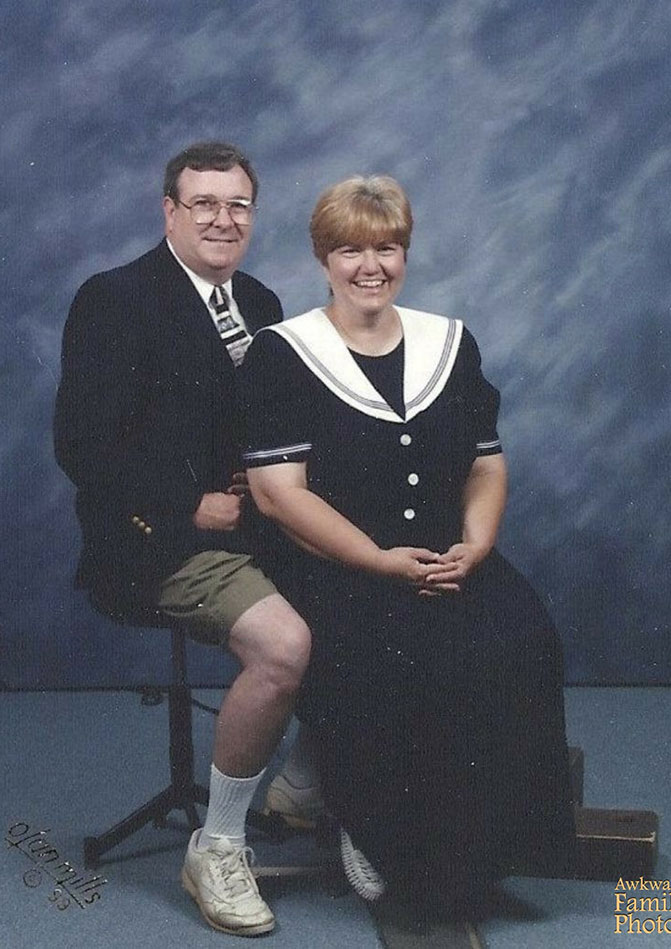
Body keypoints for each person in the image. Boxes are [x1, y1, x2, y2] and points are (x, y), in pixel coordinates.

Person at [242, 175, 576, 919]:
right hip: (333, 561)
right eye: (351, 249)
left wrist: (477, 545)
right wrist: (375, 559)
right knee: (404, 651)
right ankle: (374, 830)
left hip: (440, 552)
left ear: (406, 252)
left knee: (520, 637)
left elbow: (486, 463)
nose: (371, 265)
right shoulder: (284, 352)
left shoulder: (448, 342)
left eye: (387, 247)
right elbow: (278, 494)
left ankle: (485, 854)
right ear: (323, 257)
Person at [54, 142, 322, 937]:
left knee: (368, 585)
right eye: (203, 203)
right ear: (168, 209)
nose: (222, 218)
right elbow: (81, 446)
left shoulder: (264, 300)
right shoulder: (116, 297)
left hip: (256, 530)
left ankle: (308, 781)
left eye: (237, 204)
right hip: (154, 542)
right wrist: (189, 505)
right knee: (284, 647)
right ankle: (220, 842)